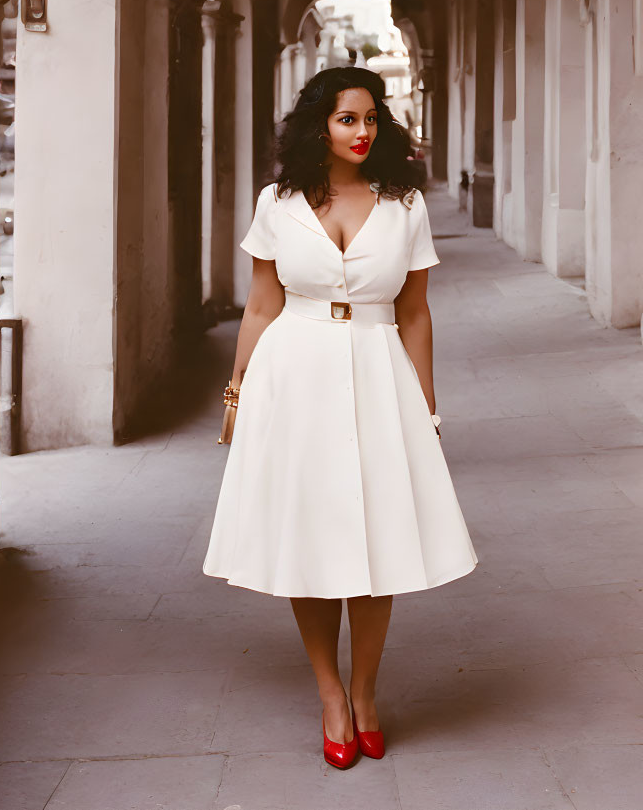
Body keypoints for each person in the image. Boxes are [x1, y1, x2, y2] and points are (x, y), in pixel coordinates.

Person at [202, 66, 478, 769]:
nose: (361, 132)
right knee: (310, 538)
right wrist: (238, 391)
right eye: (345, 119)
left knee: (376, 539)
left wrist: (427, 408)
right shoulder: (277, 200)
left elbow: (415, 313)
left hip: (377, 367)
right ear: (317, 125)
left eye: (369, 119)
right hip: (293, 374)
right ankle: (329, 693)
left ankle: (365, 692)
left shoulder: (404, 203)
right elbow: (261, 304)